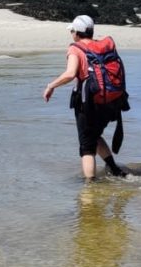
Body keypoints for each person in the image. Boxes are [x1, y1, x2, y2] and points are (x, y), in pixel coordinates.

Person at [43, 15, 127, 181]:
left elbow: (70, 74)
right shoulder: (104, 47)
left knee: (87, 147)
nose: (71, 34)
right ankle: (114, 169)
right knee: (94, 135)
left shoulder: (75, 49)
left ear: (77, 33)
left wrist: (50, 86)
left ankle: (91, 188)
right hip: (111, 102)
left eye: (72, 30)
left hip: (90, 104)